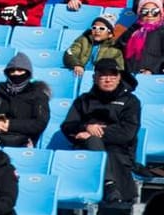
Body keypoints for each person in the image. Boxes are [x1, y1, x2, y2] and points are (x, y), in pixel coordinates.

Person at [61, 59, 143, 204]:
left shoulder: (131, 101)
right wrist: (85, 127)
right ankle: (109, 185)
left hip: (119, 151)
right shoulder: (84, 100)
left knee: (95, 141)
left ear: (119, 78)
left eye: (112, 75)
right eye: (103, 75)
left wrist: (96, 132)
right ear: (95, 78)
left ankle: (110, 186)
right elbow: (67, 126)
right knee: (87, 146)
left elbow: (127, 133)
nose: (108, 79)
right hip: (85, 152)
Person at [0, 54, 49, 147]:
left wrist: (10, 125)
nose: (16, 74)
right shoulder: (0, 92)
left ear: (28, 72)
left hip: (23, 140)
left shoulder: (37, 95)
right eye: (12, 71)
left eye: (20, 70)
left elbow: (39, 123)